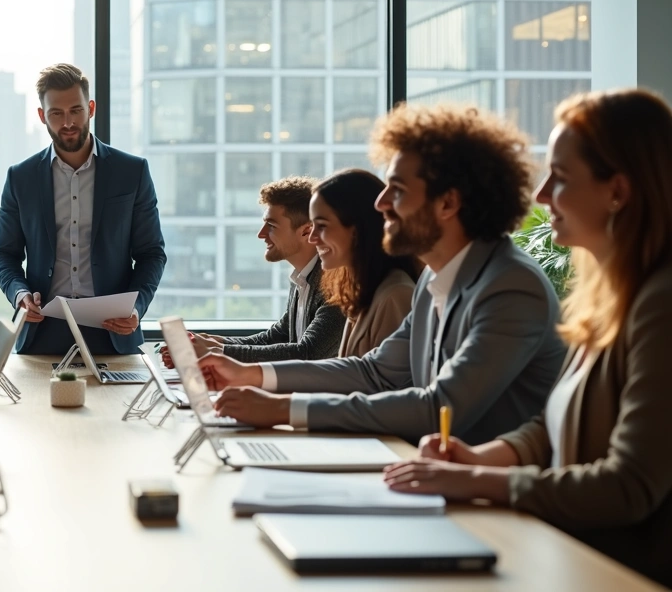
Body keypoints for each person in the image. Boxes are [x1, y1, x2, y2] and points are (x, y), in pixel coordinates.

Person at [383, 89, 672, 587]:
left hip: (618, 571)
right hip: (570, 553)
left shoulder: (661, 304)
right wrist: (482, 457)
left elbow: (628, 486)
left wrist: (477, 481)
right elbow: (551, 424)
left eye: (560, 178)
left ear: (617, 191)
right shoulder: (611, 296)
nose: (541, 196)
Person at [199, 103, 566, 445]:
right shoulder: (432, 279)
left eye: (398, 189)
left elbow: (438, 408)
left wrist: (284, 408)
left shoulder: (511, 286)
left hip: (489, 499)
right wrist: (251, 374)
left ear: (447, 203)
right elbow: (374, 371)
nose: (381, 202)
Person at [0, 63, 167, 355]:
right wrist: (20, 295)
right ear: (41, 116)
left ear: (91, 108)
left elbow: (151, 253)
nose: (68, 122)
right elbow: (4, 254)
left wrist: (136, 308)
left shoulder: (132, 172)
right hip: (42, 332)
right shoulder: (20, 178)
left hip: (112, 331)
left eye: (76, 110)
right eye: (56, 114)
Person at [163, 176, 346, 366]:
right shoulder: (302, 278)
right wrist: (215, 343)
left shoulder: (335, 285)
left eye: (272, 226)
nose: (261, 234)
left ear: (306, 231)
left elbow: (308, 352)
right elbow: (275, 338)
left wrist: (218, 351)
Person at [308, 169, 420, 357]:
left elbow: (382, 382)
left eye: (322, 226)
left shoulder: (395, 295)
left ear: (358, 229)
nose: (312, 238)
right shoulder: (363, 290)